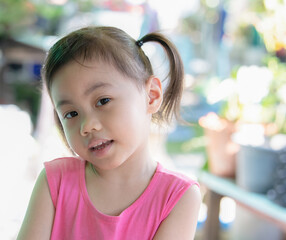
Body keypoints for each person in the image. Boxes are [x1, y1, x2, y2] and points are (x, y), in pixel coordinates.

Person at [17, 26, 201, 240]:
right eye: (71, 113)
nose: (87, 125)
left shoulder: (178, 197)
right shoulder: (54, 182)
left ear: (151, 96)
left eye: (103, 101)